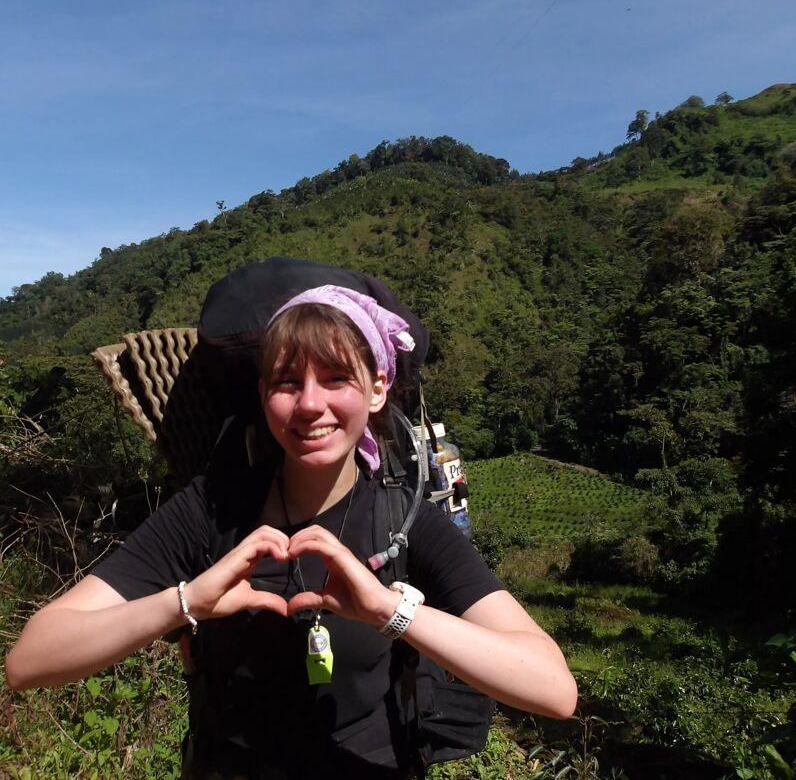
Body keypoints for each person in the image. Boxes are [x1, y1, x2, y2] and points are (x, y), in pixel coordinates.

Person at [6, 284, 577, 779]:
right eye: (286, 381)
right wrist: (187, 601)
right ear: (263, 397)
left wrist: (388, 613)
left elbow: (553, 690)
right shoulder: (211, 510)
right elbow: (30, 661)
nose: (309, 404)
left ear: (378, 388)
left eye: (336, 378)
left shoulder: (404, 522)